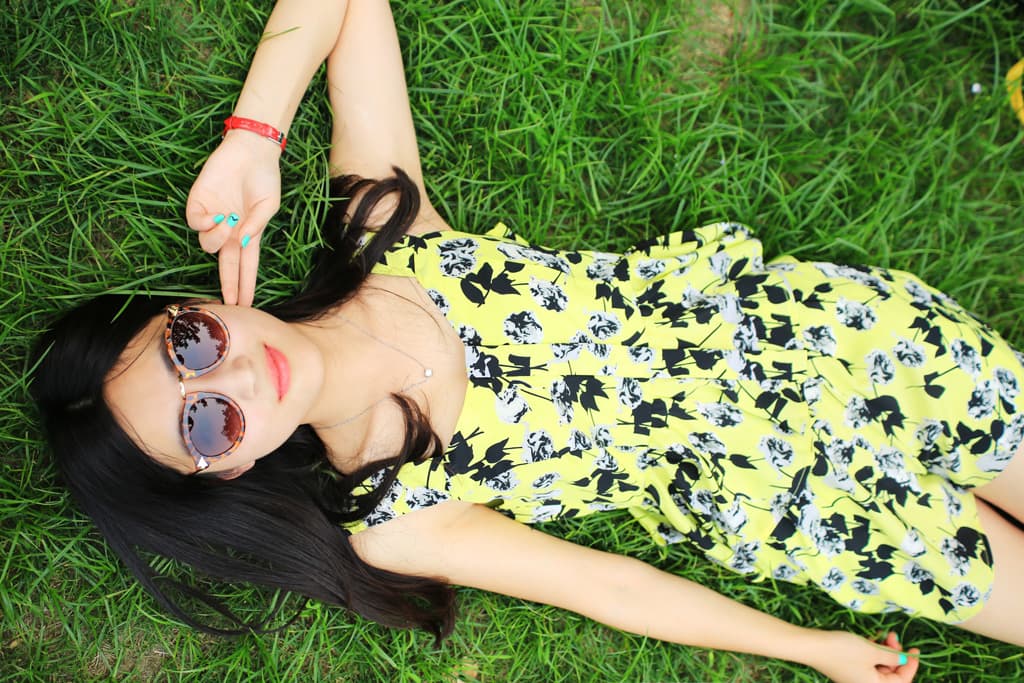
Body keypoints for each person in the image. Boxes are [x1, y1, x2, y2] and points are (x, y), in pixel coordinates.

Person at [29, 2, 1024, 681]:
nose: (237, 372)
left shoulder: (389, 240)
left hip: (848, 346)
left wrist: (254, 136)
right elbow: (608, 586)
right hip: (802, 504)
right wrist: (811, 648)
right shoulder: (394, 516)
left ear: (196, 305)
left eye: (191, 343)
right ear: (230, 466)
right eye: (207, 419)